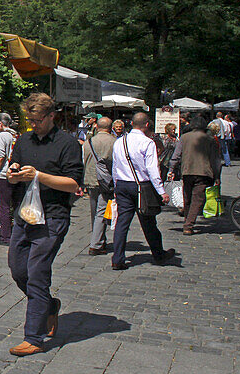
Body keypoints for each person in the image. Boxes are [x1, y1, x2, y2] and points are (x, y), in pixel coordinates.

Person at [5, 93, 83, 357]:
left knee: (37, 273)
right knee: (18, 269)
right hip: (25, 215)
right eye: (30, 120)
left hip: (52, 216)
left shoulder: (67, 144)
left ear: (52, 116)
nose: (33, 125)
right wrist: (13, 173)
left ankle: (34, 337)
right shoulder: (24, 139)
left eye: (38, 120)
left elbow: (73, 184)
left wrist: (39, 175)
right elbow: (13, 169)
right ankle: (48, 306)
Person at [111, 112, 175, 270]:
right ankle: (158, 254)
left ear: (132, 124)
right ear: (147, 125)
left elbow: (115, 166)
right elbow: (153, 169)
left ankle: (117, 258)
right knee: (148, 222)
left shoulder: (119, 142)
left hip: (122, 184)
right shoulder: (147, 142)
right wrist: (161, 191)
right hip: (142, 186)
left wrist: (115, 185)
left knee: (122, 223)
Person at [167, 115, 221, 235]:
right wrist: (217, 176)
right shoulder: (210, 139)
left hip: (187, 172)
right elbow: (215, 160)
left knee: (187, 198)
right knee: (197, 199)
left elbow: (176, 155)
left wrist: (171, 169)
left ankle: (187, 220)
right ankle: (188, 225)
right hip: (204, 173)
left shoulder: (184, 137)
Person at [82, 117, 116, 255]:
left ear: (97, 127)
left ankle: (99, 238)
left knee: (94, 210)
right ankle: (96, 244)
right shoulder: (114, 142)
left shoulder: (88, 142)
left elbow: (83, 160)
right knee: (101, 211)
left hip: (90, 179)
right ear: (111, 127)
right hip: (106, 181)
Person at [0, 112, 18, 245]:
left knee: (4, 206)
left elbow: (0, 157)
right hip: (16, 173)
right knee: (16, 205)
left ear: (0, 123)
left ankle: (5, 236)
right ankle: (18, 233)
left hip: (4, 174)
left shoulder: (2, 136)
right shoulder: (16, 135)